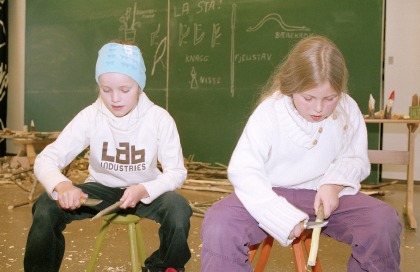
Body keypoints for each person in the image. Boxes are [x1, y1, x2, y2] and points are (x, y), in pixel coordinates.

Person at [200, 36, 402, 271]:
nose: (318, 108)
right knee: (219, 223)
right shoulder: (270, 111)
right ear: (290, 86)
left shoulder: (347, 109)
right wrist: (278, 215)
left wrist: (333, 185)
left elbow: (354, 158)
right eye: (308, 98)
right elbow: (244, 170)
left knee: (382, 221)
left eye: (329, 98)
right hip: (271, 193)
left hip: (323, 195)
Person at [24, 40, 192, 272]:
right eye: (106, 90)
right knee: (45, 205)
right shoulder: (90, 117)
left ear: (139, 86)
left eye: (125, 90)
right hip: (101, 190)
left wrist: (144, 189)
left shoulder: (159, 119)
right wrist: (62, 185)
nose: (115, 99)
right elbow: (46, 159)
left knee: (178, 207)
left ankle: (163, 267)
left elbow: (176, 172)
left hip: (145, 192)